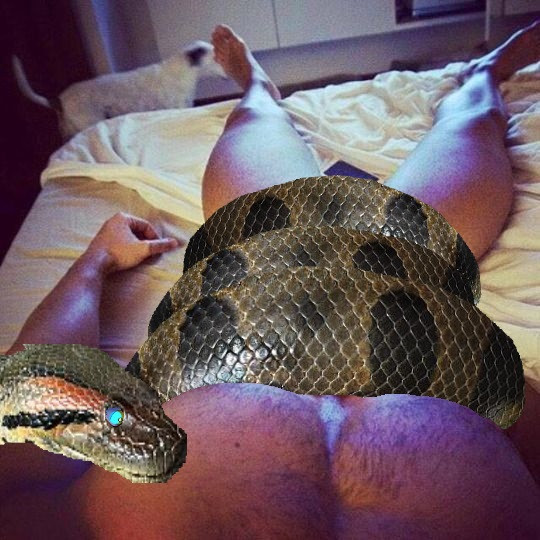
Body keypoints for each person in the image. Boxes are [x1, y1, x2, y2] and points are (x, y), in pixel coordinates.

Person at [1, 22, 539, 539]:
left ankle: (259, 84)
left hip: (263, 259)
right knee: (472, 120)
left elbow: (29, 426)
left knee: (255, 116)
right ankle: (485, 73)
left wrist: (96, 263)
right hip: (408, 269)